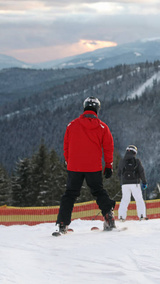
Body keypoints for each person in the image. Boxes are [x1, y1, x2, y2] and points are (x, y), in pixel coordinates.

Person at [55, 96, 116, 234]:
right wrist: (108, 166)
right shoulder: (102, 127)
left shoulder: (72, 125)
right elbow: (108, 147)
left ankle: (63, 224)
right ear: (97, 109)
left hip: (74, 167)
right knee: (98, 191)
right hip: (93, 167)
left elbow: (66, 146)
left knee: (70, 195)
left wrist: (68, 161)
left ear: (85, 107)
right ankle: (108, 217)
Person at [117, 145, 148, 221]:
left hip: (125, 184)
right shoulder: (137, 161)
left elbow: (118, 174)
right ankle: (141, 216)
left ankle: (121, 217)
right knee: (139, 199)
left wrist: (123, 182)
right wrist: (144, 182)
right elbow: (141, 172)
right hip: (135, 184)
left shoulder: (122, 161)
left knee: (125, 200)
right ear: (134, 152)